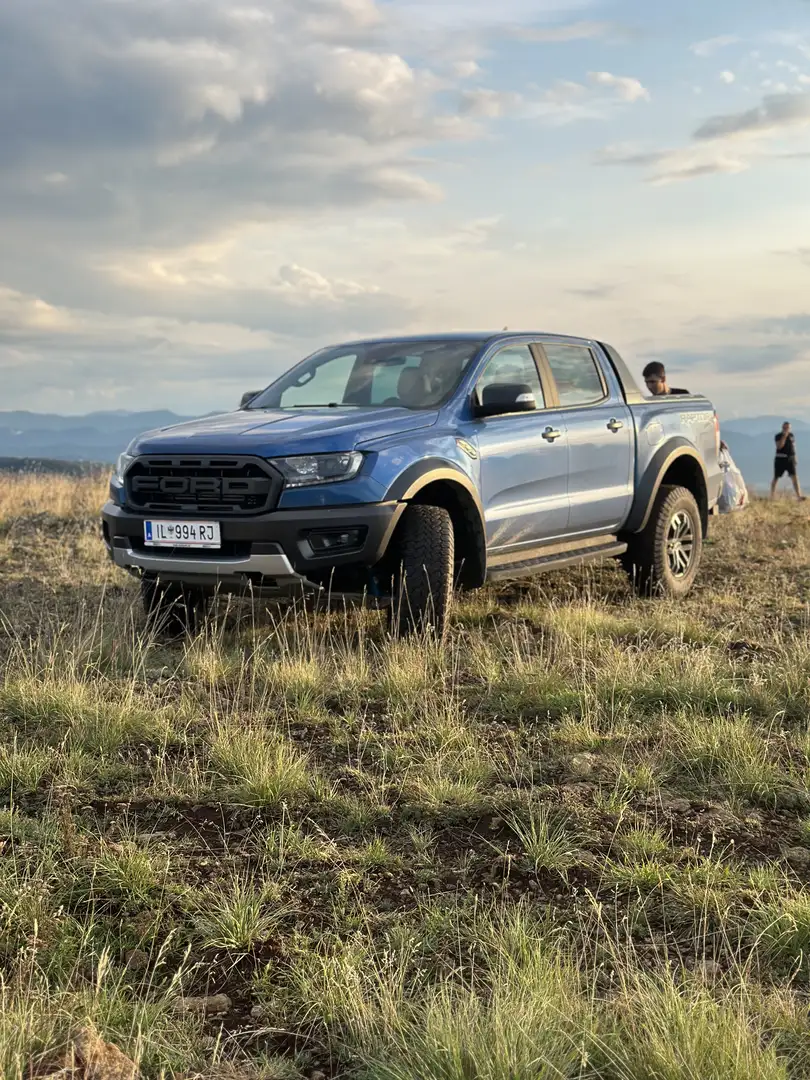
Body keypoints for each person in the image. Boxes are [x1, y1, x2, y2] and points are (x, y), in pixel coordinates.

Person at [771, 422, 805, 501]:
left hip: (790, 459)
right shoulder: (778, 436)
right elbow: (779, 446)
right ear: (782, 428)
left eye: (788, 428)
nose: (786, 429)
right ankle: (772, 495)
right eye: (785, 428)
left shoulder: (791, 436)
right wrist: (784, 437)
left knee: (794, 477)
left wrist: (795, 457)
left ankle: (799, 496)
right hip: (780, 459)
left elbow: (793, 446)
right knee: (776, 478)